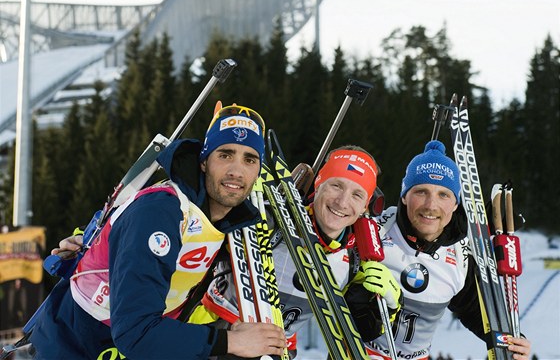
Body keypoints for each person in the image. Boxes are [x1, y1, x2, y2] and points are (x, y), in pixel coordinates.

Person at [29, 104, 286, 360]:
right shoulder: (161, 212)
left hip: (136, 344)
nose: (236, 171)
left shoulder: (228, 223)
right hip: (76, 344)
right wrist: (230, 341)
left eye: (249, 159)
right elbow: (136, 333)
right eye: (225, 155)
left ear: (258, 170)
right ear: (205, 162)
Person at [191, 145, 404, 358]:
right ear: (318, 185)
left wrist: (388, 305)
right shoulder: (269, 217)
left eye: (357, 195)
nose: (342, 202)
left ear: (365, 207)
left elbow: (360, 329)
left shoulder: (356, 257)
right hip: (215, 330)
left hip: (277, 349)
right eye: (336, 186)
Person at [346, 140, 532, 360]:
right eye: (421, 191)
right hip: (355, 353)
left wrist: (513, 342)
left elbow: (474, 311)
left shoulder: (461, 254)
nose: (431, 205)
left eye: (444, 195)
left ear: (455, 205)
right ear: (405, 196)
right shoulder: (373, 228)